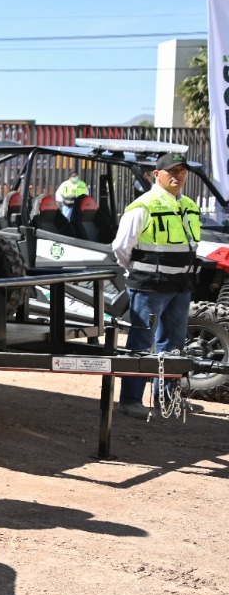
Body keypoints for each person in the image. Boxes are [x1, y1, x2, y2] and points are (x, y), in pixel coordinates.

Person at [112, 152, 200, 420]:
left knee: (173, 345)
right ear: (156, 175)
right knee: (141, 343)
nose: (178, 176)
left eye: (182, 171)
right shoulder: (143, 206)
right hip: (149, 288)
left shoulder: (189, 205)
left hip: (180, 287)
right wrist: (139, 271)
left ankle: (166, 400)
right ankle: (130, 401)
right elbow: (120, 247)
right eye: (171, 171)